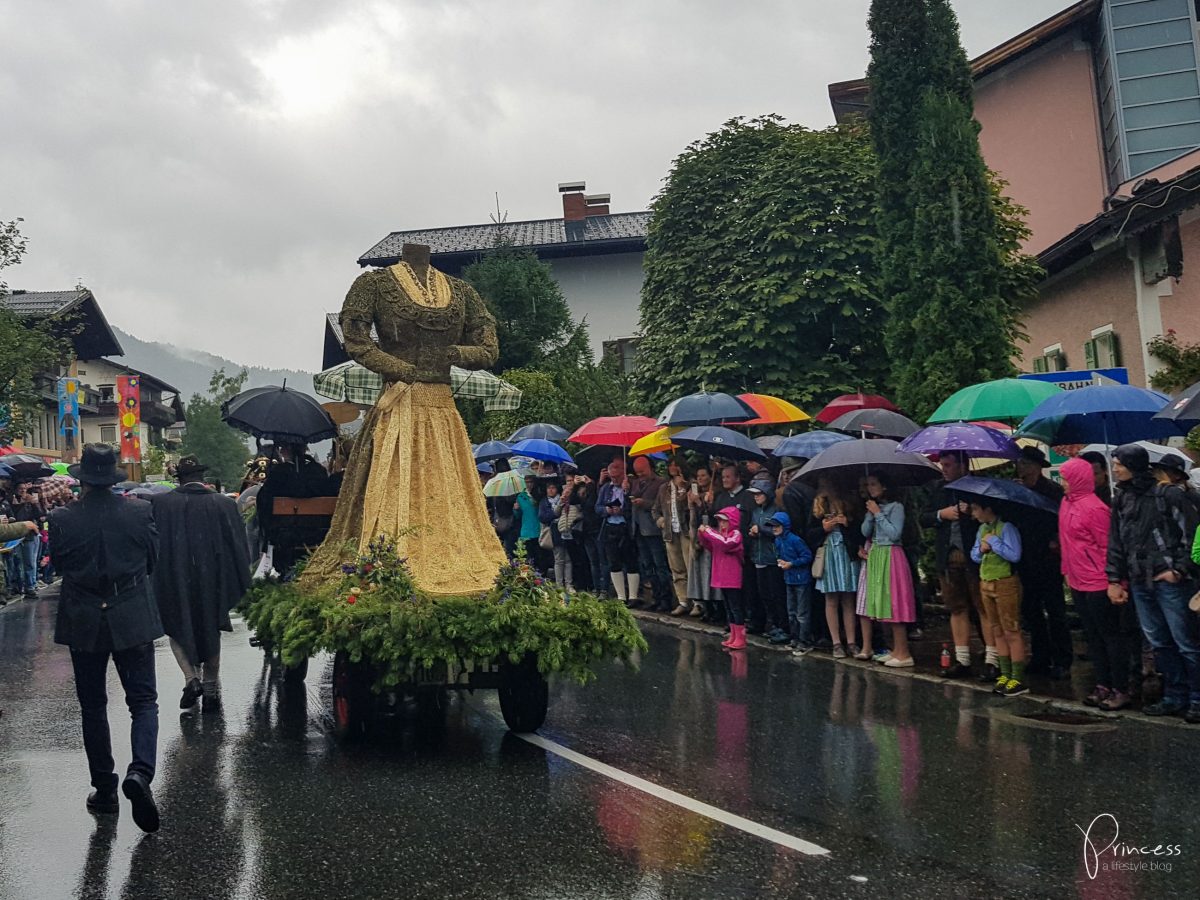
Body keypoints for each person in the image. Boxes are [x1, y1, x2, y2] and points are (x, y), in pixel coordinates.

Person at [49, 444, 161, 833]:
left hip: (83, 614)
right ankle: (141, 772)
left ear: (82, 479)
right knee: (143, 701)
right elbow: (152, 561)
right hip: (130, 611)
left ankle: (105, 789)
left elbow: (59, 565)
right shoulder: (140, 510)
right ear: (114, 476)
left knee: (93, 706)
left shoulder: (61, 517)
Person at [150, 455, 252, 714]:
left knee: (176, 626)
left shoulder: (160, 504)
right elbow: (238, 544)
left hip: (174, 575)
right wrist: (239, 578)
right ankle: (210, 687)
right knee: (210, 627)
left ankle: (190, 678)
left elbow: (152, 543)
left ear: (179, 479)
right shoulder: (223, 504)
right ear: (201, 477)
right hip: (212, 577)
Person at [1107, 443, 1200, 722]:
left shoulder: (1167, 494)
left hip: (1170, 580)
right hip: (1139, 580)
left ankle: (1196, 697)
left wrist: (1179, 570)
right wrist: (1114, 578)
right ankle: (1174, 694)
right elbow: (1117, 542)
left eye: (1119, 464)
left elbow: (1192, 533)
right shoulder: (1122, 498)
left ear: (1132, 466)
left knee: (1185, 641)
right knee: (1159, 642)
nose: (1114, 469)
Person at [1060, 456, 1130, 710]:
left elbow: (1109, 546)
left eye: (1067, 479)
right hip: (1078, 580)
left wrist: (1116, 580)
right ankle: (1102, 684)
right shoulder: (1066, 504)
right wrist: (1066, 569)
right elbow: (1066, 541)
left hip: (1099, 580)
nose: (1063, 484)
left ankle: (1120, 687)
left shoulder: (1096, 508)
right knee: (1092, 637)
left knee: (1110, 635)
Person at [921, 450, 991, 680]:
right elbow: (924, 517)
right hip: (948, 558)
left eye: (949, 465)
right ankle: (962, 659)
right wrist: (943, 514)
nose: (945, 469)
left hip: (974, 557)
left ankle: (993, 658)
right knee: (956, 607)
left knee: (983, 608)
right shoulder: (938, 489)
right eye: (943, 465)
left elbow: (992, 516)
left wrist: (972, 512)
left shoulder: (978, 487)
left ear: (963, 464)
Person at [1013, 446, 1069, 679]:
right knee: (1031, 610)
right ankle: (1040, 656)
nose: (1021, 468)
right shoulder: (1015, 491)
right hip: (1025, 558)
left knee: (1055, 609)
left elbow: (1062, 519)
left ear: (1037, 467)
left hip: (1048, 558)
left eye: (1026, 464)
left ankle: (1063, 659)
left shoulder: (1052, 491)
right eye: (1020, 464)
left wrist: (1055, 540)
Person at [970, 499, 1028, 696]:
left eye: (976, 508)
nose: (974, 513)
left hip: (1005, 582)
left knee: (1011, 628)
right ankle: (1005, 673)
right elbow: (975, 555)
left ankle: (1018, 677)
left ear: (988, 509)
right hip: (985, 582)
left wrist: (994, 543)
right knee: (997, 630)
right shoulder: (982, 530)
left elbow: (1015, 555)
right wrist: (981, 549)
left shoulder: (1006, 528)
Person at [858, 474, 915, 667]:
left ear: (885, 486)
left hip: (891, 554)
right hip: (877, 554)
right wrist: (871, 514)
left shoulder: (896, 507)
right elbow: (865, 532)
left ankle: (904, 652)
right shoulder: (875, 507)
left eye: (874, 484)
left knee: (895, 601)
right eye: (868, 484)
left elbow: (894, 533)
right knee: (884, 603)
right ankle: (896, 650)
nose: (870, 487)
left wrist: (878, 514)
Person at [255, 442, 334, 577]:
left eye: (282, 447)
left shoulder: (279, 473)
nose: (281, 450)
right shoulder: (318, 471)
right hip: (316, 533)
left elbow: (264, 502)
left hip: (285, 535)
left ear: (288, 450)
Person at [813, 479, 863, 659]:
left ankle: (851, 641)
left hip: (846, 554)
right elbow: (808, 534)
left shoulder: (848, 505)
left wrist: (846, 524)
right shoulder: (817, 508)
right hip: (828, 555)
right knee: (831, 599)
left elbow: (858, 533)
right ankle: (836, 642)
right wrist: (823, 529)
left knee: (849, 598)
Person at [713, 464, 760, 631]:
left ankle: (752, 620)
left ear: (737, 478)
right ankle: (732, 622)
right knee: (730, 590)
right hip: (726, 552)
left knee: (748, 586)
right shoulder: (720, 498)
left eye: (728, 476)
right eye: (723, 477)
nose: (725, 480)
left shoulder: (747, 496)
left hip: (744, 549)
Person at [697, 507, 746, 650]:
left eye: (725, 521)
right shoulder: (719, 535)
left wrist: (709, 531)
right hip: (722, 576)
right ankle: (733, 634)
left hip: (732, 576)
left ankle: (740, 637)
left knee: (736, 607)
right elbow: (710, 545)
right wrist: (703, 535)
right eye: (720, 522)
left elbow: (725, 543)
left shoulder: (736, 534)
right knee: (729, 606)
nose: (722, 525)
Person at [767, 511, 815, 655]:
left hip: (801, 579)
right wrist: (782, 562)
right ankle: (794, 639)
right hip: (789, 579)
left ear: (785, 526)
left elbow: (807, 556)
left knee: (802, 613)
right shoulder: (778, 541)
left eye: (777, 525)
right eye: (772, 526)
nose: (774, 528)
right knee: (792, 612)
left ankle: (804, 641)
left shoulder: (795, 540)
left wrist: (792, 564)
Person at [748, 481, 789, 644]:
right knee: (764, 594)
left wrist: (762, 530)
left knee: (777, 594)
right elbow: (752, 526)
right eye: (754, 494)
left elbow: (778, 530)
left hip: (772, 558)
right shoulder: (756, 511)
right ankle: (772, 624)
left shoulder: (775, 510)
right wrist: (752, 531)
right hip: (758, 557)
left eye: (759, 493)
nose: (756, 497)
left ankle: (783, 626)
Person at [629, 456, 670, 611]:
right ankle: (655, 597)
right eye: (637, 472)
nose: (640, 474)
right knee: (647, 566)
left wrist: (644, 503)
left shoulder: (660, 483)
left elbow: (661, 506)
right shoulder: (635, 483)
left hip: (653, 529)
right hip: (638, 528)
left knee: (659, 565)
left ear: (650, 467)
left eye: (642, 471)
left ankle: (665, 599)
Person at [655, 458, 694, 615]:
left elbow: (692, 507)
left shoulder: (691, 485)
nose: (672, 467)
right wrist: (660, 520)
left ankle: (697, 602)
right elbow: (655, 509)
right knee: (677, 568)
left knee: (691, 566)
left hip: (686, 531)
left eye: (675, 464)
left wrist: (682, 490)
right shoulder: (664, 488)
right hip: (670, 532)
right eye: (670, 465)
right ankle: (682, 600)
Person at [596, 461, 639, 603]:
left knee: (631, 561)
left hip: (626, 528)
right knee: (613, 562)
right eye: (612, 477)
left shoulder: (630, 486)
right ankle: (621, 596)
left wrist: (626, 494)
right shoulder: (606, 489)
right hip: (610, 527)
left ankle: (633, 595)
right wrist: (606, 510)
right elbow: (598, 507)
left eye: (617, 476)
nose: (614, 480)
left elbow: (633, 508)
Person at [686, 467, 717, 621]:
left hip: (710, 534)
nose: (700, 478)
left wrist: (699, 502)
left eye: (704, 475)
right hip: (697, 534)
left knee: (709, 571)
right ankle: (704, 605)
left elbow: (712, 514)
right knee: (699, 572)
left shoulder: (714, 493)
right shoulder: (695, 492)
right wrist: (692, 502)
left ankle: (715, 608)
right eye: (698, 475)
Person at [537, 480, 570, 588]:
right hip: (553, 531)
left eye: (553, 488)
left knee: (568, 558)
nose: (551, 490)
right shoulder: (544, 502)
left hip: (565, 528)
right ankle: (560, 584)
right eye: (548, 488)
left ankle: (569, 583)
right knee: (559, 558)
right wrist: (555, 512)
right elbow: (543, 517)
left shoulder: (564, 499)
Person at [514, 475, 542, 566]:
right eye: (526, 482)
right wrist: (516, 509)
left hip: (538, 529)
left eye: (531, 482)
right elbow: (517, 516)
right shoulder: (520, 496)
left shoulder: (538, 494)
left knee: (539, 555)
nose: (529, 484)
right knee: (528, 556)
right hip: (526, 530)